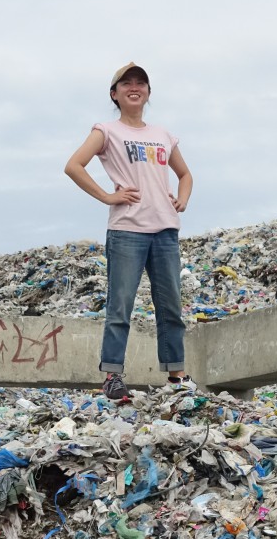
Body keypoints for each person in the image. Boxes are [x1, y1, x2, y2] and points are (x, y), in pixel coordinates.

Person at [64, 62, 195, 400]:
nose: (134, 87)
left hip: (165, 230)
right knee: (120, 306)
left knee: (170, 307)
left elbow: (185, 174)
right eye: (126, 84)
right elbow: (73, 165)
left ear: (148, 93)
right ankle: (112, 376)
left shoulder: (163, 135)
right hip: (127, 231)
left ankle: (177, 377)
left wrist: (181, 200)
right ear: (115, 93)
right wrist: (108, 196)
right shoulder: (106, 131)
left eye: (141, 83)